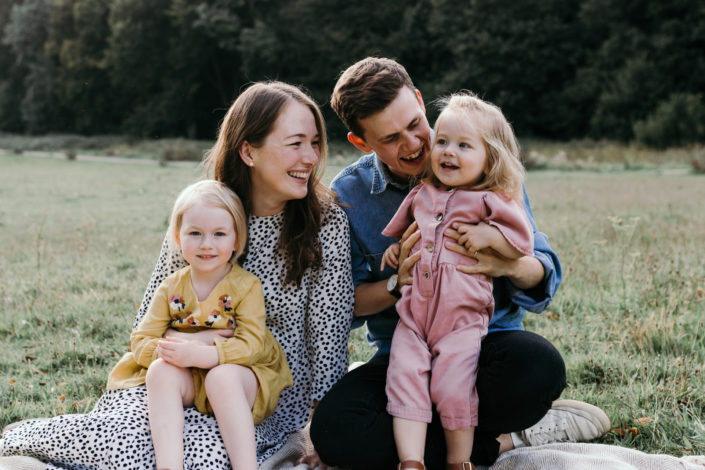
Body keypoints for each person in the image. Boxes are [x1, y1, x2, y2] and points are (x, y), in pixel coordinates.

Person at [1, 81, 354, 469]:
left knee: (206, 457)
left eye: (315, 143)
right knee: (122, 440)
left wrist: (322, 421)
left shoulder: (325, 223)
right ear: (248, 151)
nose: (310, 157)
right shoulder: (205, 214)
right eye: (296, 143)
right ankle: (20, 442)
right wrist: (194, 346)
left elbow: (329, 333)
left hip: (258, 388)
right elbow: (148, 323)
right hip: (176, 371)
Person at [310, 57, 610, 470]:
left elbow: (544, 273)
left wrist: (506, 263)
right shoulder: (348, 194)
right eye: (391, 138)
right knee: (334, 431)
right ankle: (497, 443)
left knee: (538, 370)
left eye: (415, 124)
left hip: (484, 344)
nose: (415, 144)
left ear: (419, 100)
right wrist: (397, 282)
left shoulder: (486, 163)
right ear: (362, 143)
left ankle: (436, 432)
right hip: (405, 348)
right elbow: (348, 305)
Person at [381, 92, 535, 470]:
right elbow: (406, 235)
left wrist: (491, 238)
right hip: (413, 319)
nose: (448, 152)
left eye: (464, 145)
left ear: (490, 158)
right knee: (404, 381)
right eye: (444, 141)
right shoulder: (423, 193)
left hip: (462, 321)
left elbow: (522, 245)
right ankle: (411, 461)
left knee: (454, 387)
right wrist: (395, 254)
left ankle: (458, 460)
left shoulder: (493, 200)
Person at [107, 179, 293, 470]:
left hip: (240, 377)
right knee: (159, 370)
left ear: (236, 240)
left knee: (221, 377)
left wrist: (206, 353)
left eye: (219, 234)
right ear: (179, 239)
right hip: (191, 377)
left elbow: (253, 345)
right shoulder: (171, 287)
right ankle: (169, 465)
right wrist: (188, 348)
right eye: (195, 233)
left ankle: (246, 467)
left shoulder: (245, 286)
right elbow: (141, 341)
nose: (207, 244)